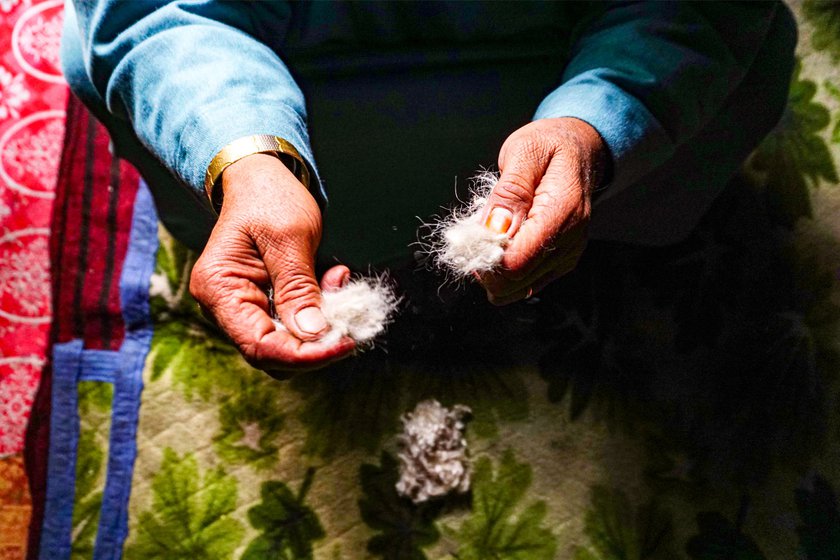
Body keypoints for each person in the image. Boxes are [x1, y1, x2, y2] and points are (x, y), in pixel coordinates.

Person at [61, 1, 797, 373]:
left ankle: (596, 192)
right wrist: (249, 157)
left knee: (740, 61)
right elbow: (152, 12)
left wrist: (592, 126)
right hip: (271, 79)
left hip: (576, 55)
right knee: (101, 57)